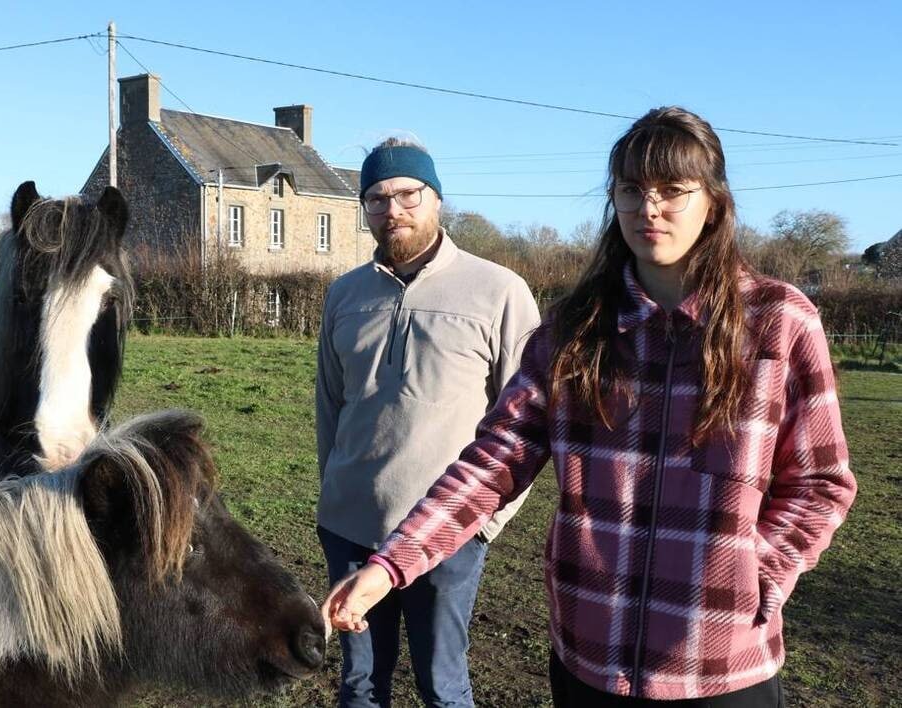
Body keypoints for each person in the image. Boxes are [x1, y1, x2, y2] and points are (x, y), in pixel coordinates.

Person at [323, 107, 857, 707]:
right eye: (631, 191)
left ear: (713, 200)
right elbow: (490, 464)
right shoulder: (574, 332)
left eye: (672, 191)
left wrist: (761, 573)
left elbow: (819, 481)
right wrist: (390, 567)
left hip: (720, 666)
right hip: (588, 659)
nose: (648, 209)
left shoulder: (778, 322)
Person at [316, 136, 541, 707]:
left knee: (442, 686)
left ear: (436, 197)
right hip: (350, 529)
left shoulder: (499, 291)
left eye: (408, 194)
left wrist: (485, 524)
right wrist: (334, 493)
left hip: (447, 535)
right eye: (376, 198)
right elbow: (330, 406)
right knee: (361, 683)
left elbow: (529, 425)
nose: (393, 209)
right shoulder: (344, 294)